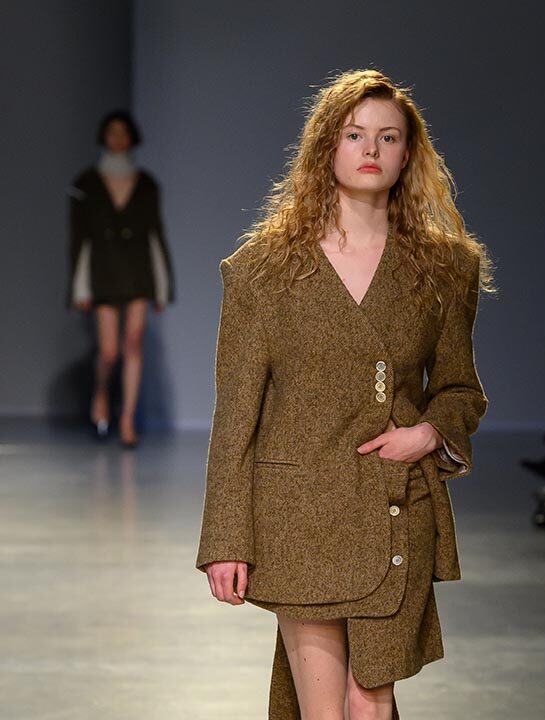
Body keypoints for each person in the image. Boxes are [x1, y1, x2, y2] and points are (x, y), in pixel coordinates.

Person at [195, 69, 492, 720]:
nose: (372, 149)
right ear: (326, 146)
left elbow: (459, 388)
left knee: (371, 699)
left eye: (389, 137)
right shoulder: (262, 271)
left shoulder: (446, 268)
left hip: (394, 503)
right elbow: (236, 416)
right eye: (355, 134)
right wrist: (224, 539)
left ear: (408, 154)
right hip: (298, 513)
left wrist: (428, 433)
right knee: (324, 712)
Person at [67, 110, 175, 448]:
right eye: (112, 131)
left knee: (133, 344)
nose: (117, 137)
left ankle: (127, 419)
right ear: (103, 136)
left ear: (131, 137)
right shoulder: (86, 183)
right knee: (110, 351)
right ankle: (101, 393)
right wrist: (79, 287)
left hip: (138, 271)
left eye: (123, 131)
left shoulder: (147, 184)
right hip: (102, 271)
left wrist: (163, 288)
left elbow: (155, 235)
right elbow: (80, 239)